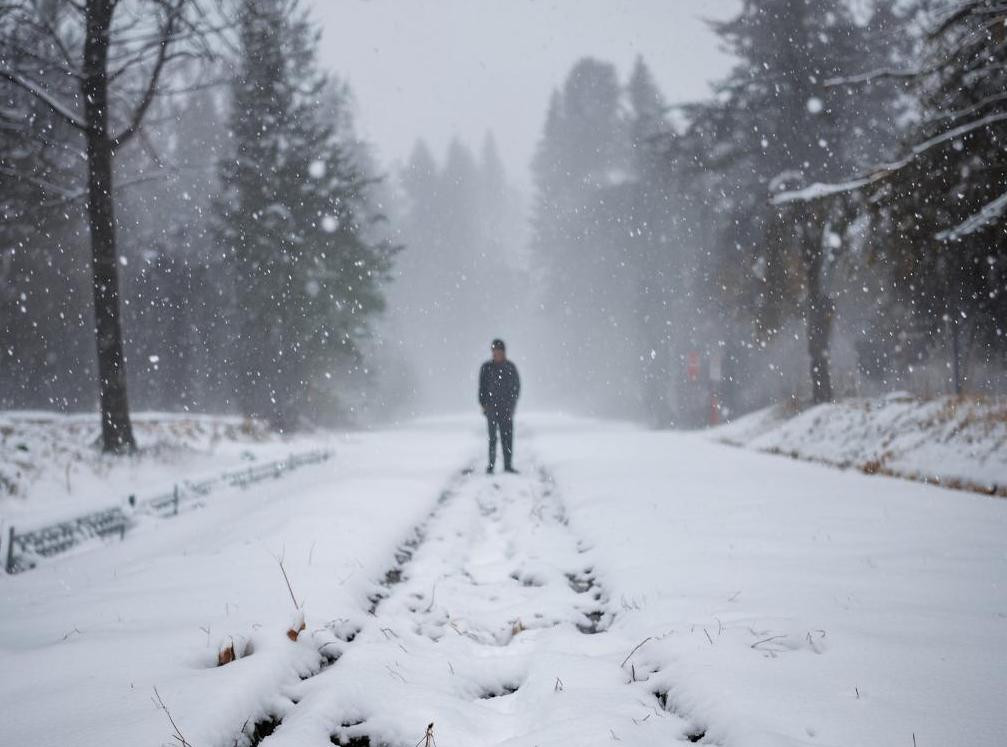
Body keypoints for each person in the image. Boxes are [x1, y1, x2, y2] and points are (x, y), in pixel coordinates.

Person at [478, 338, 520, 474]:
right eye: (494, 351)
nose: (495, 354)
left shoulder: (510, 368)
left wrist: (512, 404)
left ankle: (508, 465)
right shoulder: (486, 368)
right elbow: (482, 387)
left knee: (507, 437)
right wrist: (483, 404)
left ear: (503, 352)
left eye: (498, 351)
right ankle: (491, 465)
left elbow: (516, 387)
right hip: (491, 408)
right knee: (492, 438)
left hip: (506, 409)